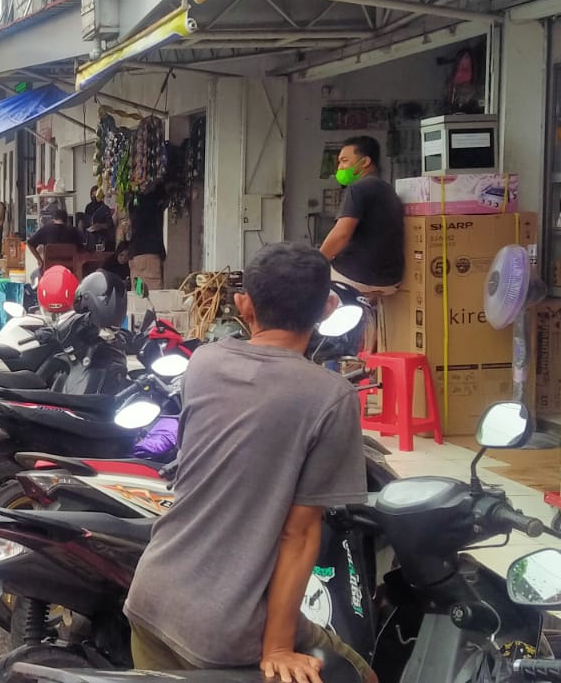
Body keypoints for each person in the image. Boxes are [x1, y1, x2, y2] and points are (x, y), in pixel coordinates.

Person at [125, 242, 372, 683]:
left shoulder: (204, 361)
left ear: (244, 305)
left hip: (152, 599)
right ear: (326, 309)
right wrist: (277, 647)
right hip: (225, 630)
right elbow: (299, 534)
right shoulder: (331, 398)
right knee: (360, 676)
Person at [320, 135, 404, 299]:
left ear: (365, 162)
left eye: (344, 161)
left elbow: (341, 234)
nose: (340, 168)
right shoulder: (387, 189)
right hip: (390, 280)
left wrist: (316, 261)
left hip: (356, 276)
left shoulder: (358, 188)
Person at [128, 191, 167, 291]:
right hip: (149, 254)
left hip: (134, 255)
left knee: (138, 294)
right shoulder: (152, 204)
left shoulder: (133, 204)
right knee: (153, 295)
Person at [84, 186, 116, 252]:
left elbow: (110, 224)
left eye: (96, 195)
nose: (94, 197)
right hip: (90, 235)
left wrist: (100, 226)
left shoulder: (104, 208)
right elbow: (86, 222)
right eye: (92, 195)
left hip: (103, 235)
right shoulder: (88, 207)